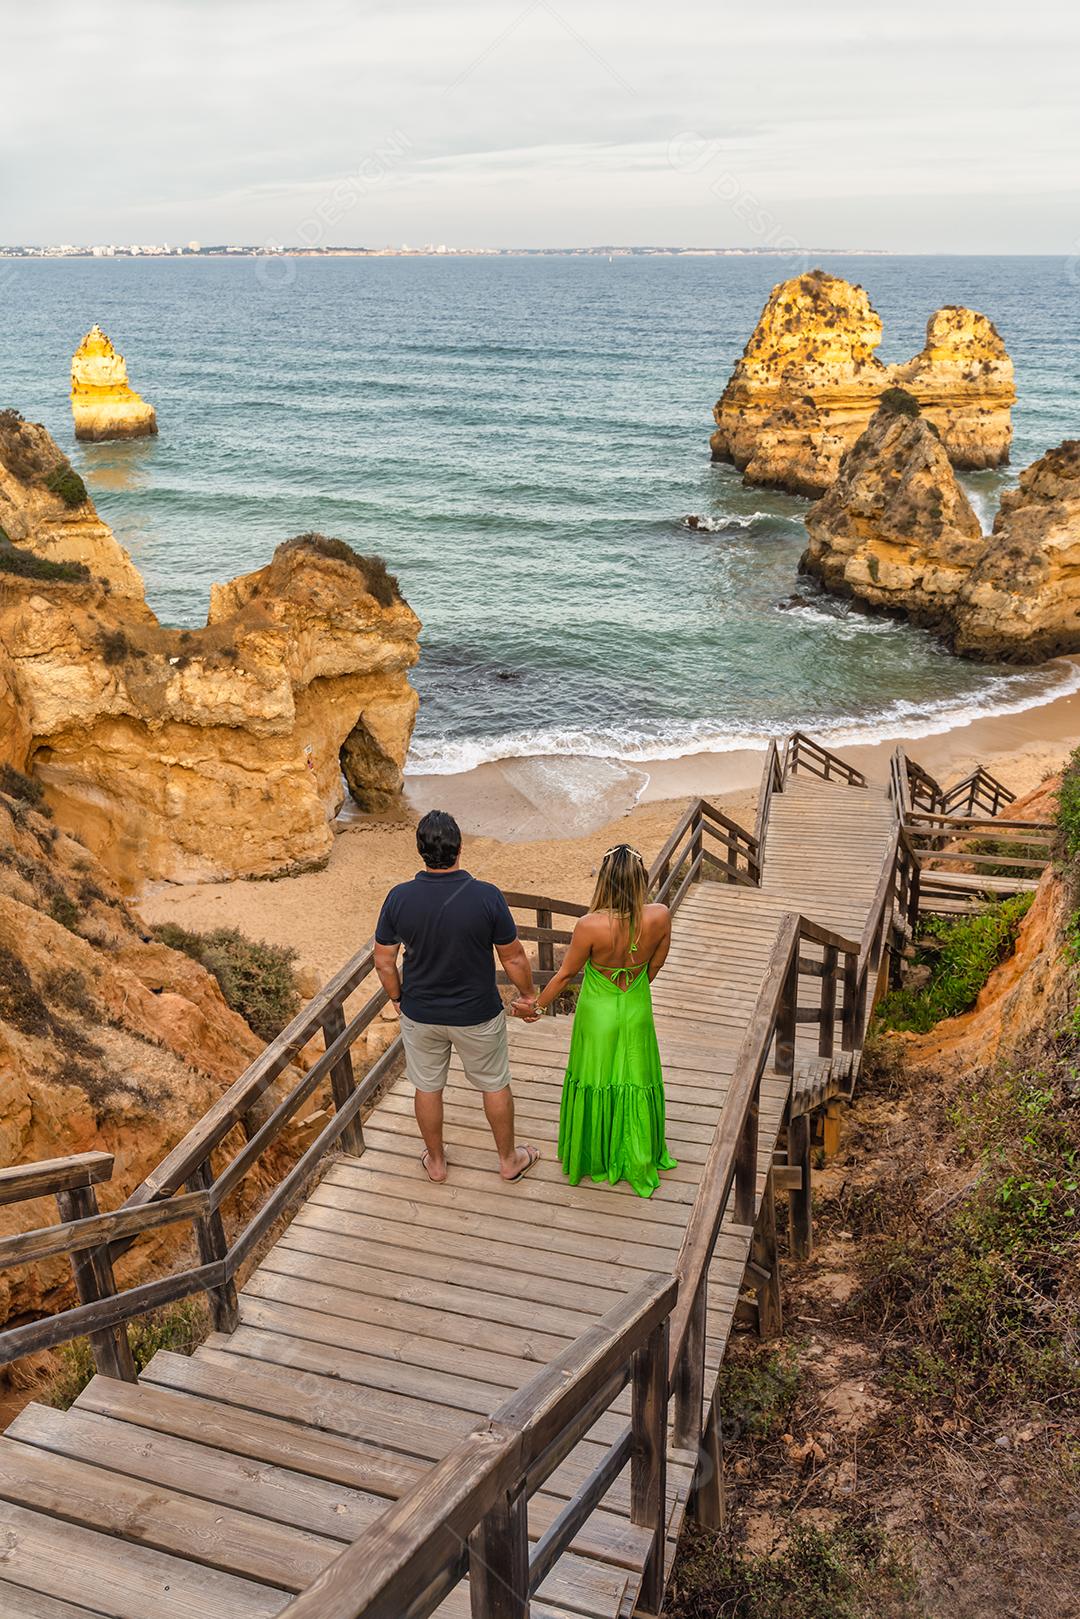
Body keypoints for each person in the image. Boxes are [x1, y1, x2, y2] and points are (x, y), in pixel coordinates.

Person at [374, 809, 541, 1185]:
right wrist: (528, 995)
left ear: (420, 850)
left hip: (422, 1012)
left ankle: (436, 1162)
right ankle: (508, 1161)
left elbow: (384, 961)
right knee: (494, 1083)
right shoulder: (485, 896)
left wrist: (398, 998)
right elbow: (512, 955)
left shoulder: (399, 898)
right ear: (459, 847)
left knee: (427, 1086)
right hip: (477, 1013)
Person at [516, 843, 676, 1198]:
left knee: (595, 1078)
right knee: (635, 1078)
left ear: (603, 880)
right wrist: (631, 988)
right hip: (635, 1006)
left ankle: (595, 1153)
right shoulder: (660, 915)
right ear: (641, 879)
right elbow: (656, 965)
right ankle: (636, 1150)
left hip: (597, 1012)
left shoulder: (589, 925)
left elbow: (564, 976)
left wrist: (536, 1009)